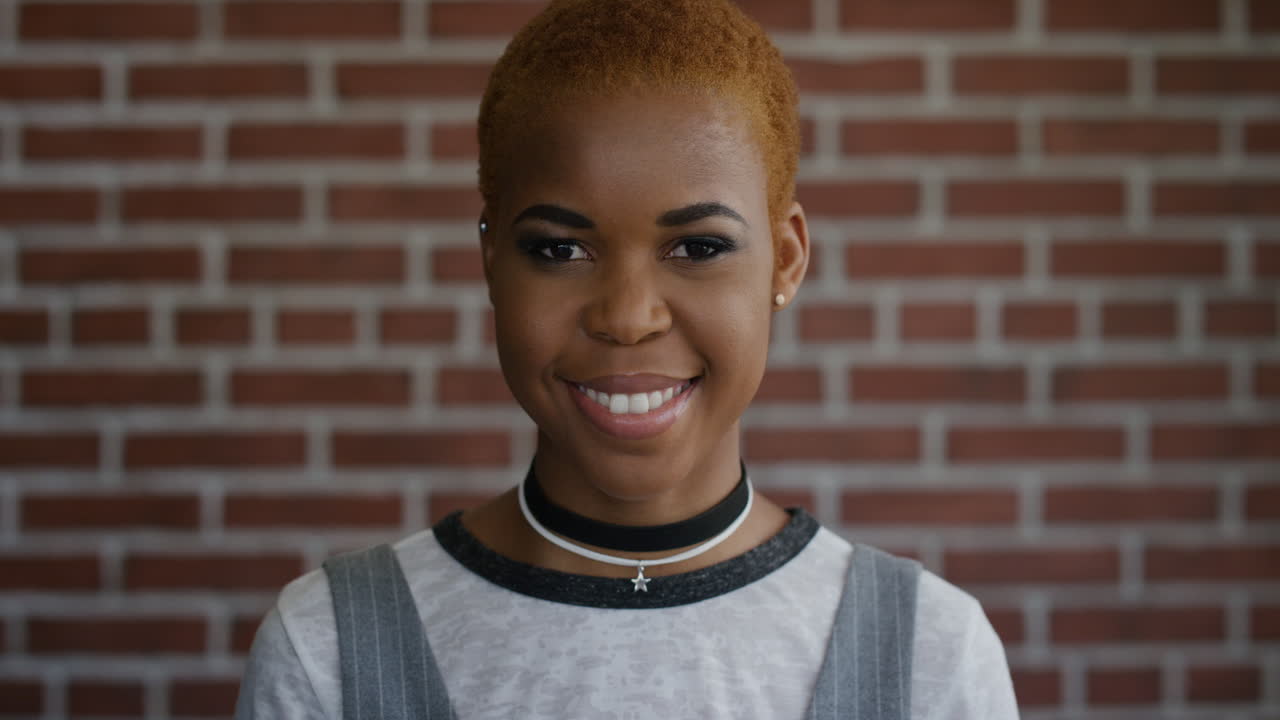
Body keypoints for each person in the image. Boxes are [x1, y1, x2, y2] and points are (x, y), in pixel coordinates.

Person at [233, 0, 1020, 717]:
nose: (627, 317)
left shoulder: (930, 656)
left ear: (785, 260)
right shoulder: (330, 651)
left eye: (698, 246)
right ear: (492, 262)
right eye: (561, 248)